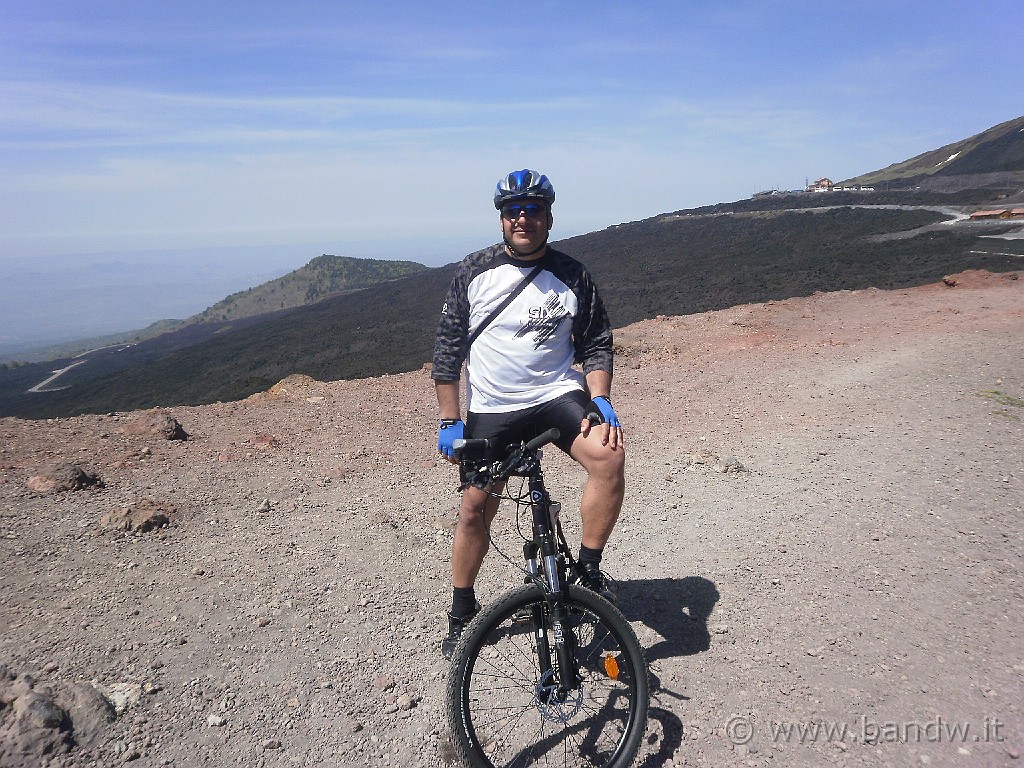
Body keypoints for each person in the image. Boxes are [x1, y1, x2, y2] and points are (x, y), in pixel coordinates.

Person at [432, 169, 625, 659]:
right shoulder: (474, 272)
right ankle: (462, 607)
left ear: (548, 216)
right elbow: (448, 350)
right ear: (501, 220)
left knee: (608, 458)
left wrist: (599, 397)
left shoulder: (573, 274)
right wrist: (449, 420)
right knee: (476, 506)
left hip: (557, 397)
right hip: (493, 407)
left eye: (533, 209)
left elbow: (597, 342)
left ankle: (587, 569)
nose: (523, 218)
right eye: (513, 211)